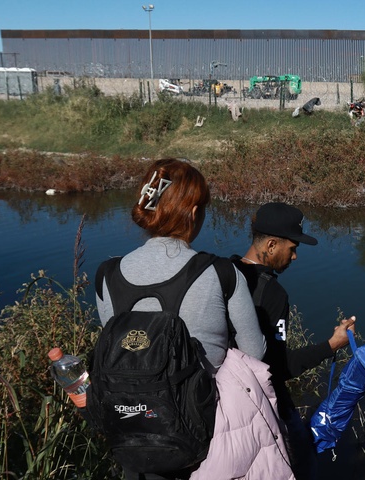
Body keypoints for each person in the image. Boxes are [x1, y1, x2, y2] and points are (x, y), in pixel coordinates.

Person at [95, 158, 268, 480]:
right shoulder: (220, 272)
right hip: (201, 435)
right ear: (192, 213)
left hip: (132, 432)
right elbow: (254, 352)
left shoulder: (107, 274)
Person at [232, 202, 357, 480]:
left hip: (222, 402)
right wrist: (331, 345)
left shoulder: (221, 273)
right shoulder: (273, 294)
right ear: (272, 245)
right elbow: (278, 368)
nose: (295, 256)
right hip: (262, 402)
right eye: (293, 248)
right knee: (304, 464)